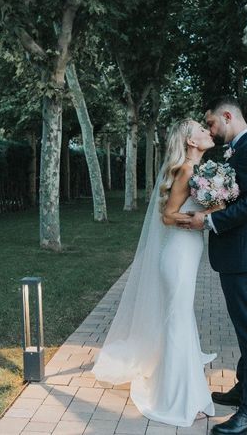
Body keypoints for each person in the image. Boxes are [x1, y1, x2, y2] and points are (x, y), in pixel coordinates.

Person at [92, 118, 219, 427]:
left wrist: (215, 205)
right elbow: (167, 216)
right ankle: (173, 400)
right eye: (201, 130)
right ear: (191, 142)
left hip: (187, 252)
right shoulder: (187, 171)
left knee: (181, 322)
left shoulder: (200, 171)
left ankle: (189, 394)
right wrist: (200, 216)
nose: (207, 131)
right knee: (177, 324)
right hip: (177, 255)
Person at [180, 96, 247, 435]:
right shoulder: (244, 148)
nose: (210, 129)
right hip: (243, 255)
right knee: (246, 329)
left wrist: (209, 222)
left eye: (211, 123)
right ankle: (243, 390)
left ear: (227, 116)